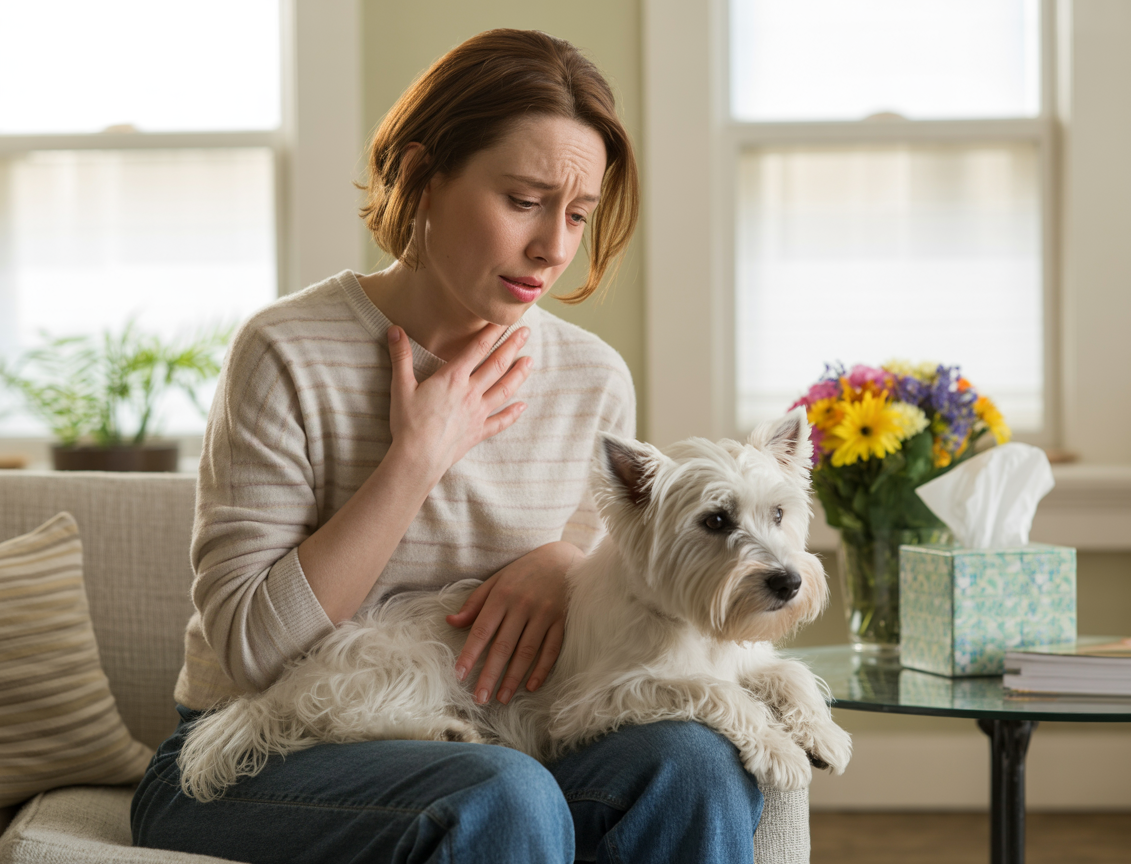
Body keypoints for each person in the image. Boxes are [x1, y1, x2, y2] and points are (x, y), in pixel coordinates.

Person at [131, 28, 763, 863]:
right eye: (524, 200)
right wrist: (416, 459)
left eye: (577, 214)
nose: (555, 248)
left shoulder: (591, 377)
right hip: (252, 754)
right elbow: (252, 649)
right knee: (498, 792)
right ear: (424, 177)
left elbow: (614, 625)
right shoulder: (287, 349)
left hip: (495, 734)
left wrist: (572, 566)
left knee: (694, 765)